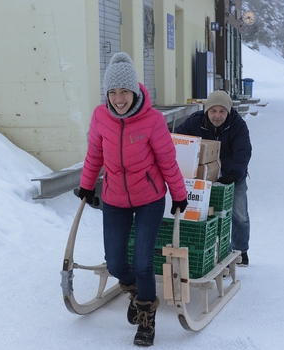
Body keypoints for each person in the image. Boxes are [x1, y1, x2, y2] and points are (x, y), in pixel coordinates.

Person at [78, 52, 187, 347]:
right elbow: (95, 155)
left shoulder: (152, 120)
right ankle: (137, 292)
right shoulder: (101, 116)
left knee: (142, 262)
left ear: (134, 91)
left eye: (123, 91)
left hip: (149, 198)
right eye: (112, 92)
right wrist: (87, 186)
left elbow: (167, 160)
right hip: (114, 198)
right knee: (115, 263)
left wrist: (179, 194)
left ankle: (146, 318)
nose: (118, 98)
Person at [175, 90, 252, 266]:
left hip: (233, 175)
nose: (217, 116)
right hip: (203, 177)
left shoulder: (238, 125)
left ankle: (241, 251)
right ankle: (210, 252)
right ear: (206, 110)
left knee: (239, 215)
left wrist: (234, 174)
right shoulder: (195, 122)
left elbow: (243, 152)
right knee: (206, 215)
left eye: (222, 111)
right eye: (213, 111)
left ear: (228, 111)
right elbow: (177, 140)